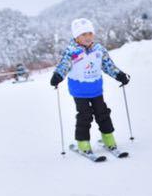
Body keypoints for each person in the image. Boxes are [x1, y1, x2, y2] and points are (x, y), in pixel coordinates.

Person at [50, 18, 130, 154]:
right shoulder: (73, 52)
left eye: (90, 33)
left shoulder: (99, 50)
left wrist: (119, 75)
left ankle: (108, 139)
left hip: (96, 89)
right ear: (76, 37)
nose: (87, 37)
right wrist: (58, 76)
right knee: (84, 116)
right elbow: (64, 66)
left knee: (103, 114)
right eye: (83, 34)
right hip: (79, 91)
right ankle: (83, 143)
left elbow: (107, 65)